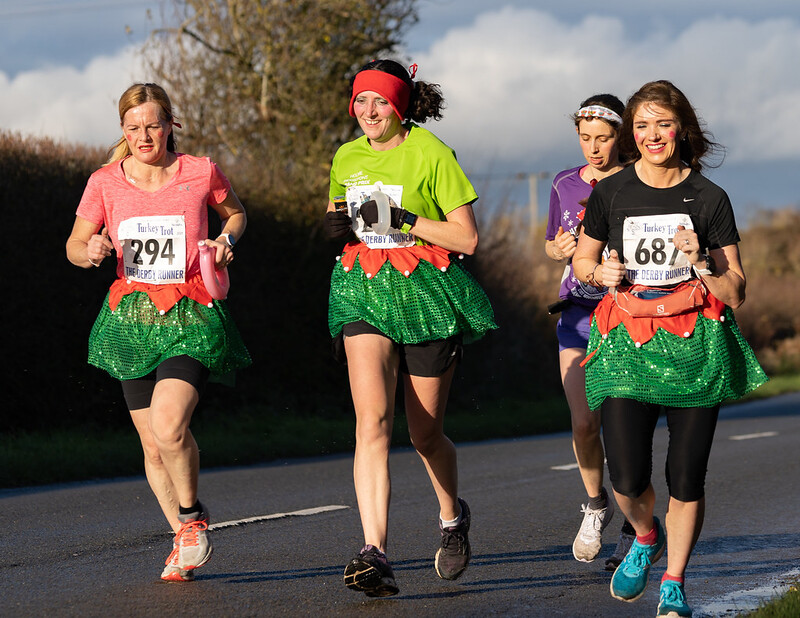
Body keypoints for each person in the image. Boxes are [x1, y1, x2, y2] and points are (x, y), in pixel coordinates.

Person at [573, 80, 767, 617]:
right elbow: (583, 262)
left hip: (694, 344)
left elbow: (736, 290)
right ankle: (644, 534)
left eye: (663, 123)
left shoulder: (709, 198)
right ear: (631, 134)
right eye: (642, 125)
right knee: (625, 474)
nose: (652, 135)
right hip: (628, 341)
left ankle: (674, 581)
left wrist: (702, 260)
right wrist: (600, 273)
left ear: (682, 129)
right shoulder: (612, 192)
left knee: (685, 476)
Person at [323, 59, 496, 597]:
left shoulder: (432, 153)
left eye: (381, 101)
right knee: (372, 421)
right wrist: (335, 224)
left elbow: (467, 239)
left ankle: (452, 516)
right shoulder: (346, 156)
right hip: (364, 290)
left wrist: (403, 220)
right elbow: (338, 213)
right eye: (361, 100)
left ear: (400, 105)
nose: (369, 111)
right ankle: (374, 551)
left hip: (426, 296)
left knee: (424, 434)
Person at [66, 83, 251, 583]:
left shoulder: (200, 171)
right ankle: (184, 537)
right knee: (152, 447)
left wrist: (225, 240)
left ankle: (192, 517)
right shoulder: (104, 182)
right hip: (132, 322)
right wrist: (91, 250)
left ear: (171, 124)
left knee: (170, 427)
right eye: (133, 128)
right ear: (122, 130)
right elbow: (74, 245)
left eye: (153, 125)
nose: (144, 136)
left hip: (190, 314)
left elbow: (235, 213)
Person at [544, 94, 636, 569]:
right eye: (585, 138)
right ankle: (596, 505)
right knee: (584, 422)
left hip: (627, 316)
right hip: (577, 313)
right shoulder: (564, 182)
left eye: (603, 138)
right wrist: (559, 248)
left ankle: (635, 525)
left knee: (623, 428)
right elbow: (551, 242)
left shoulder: (638, 180)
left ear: (621, 137)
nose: (594, 148)